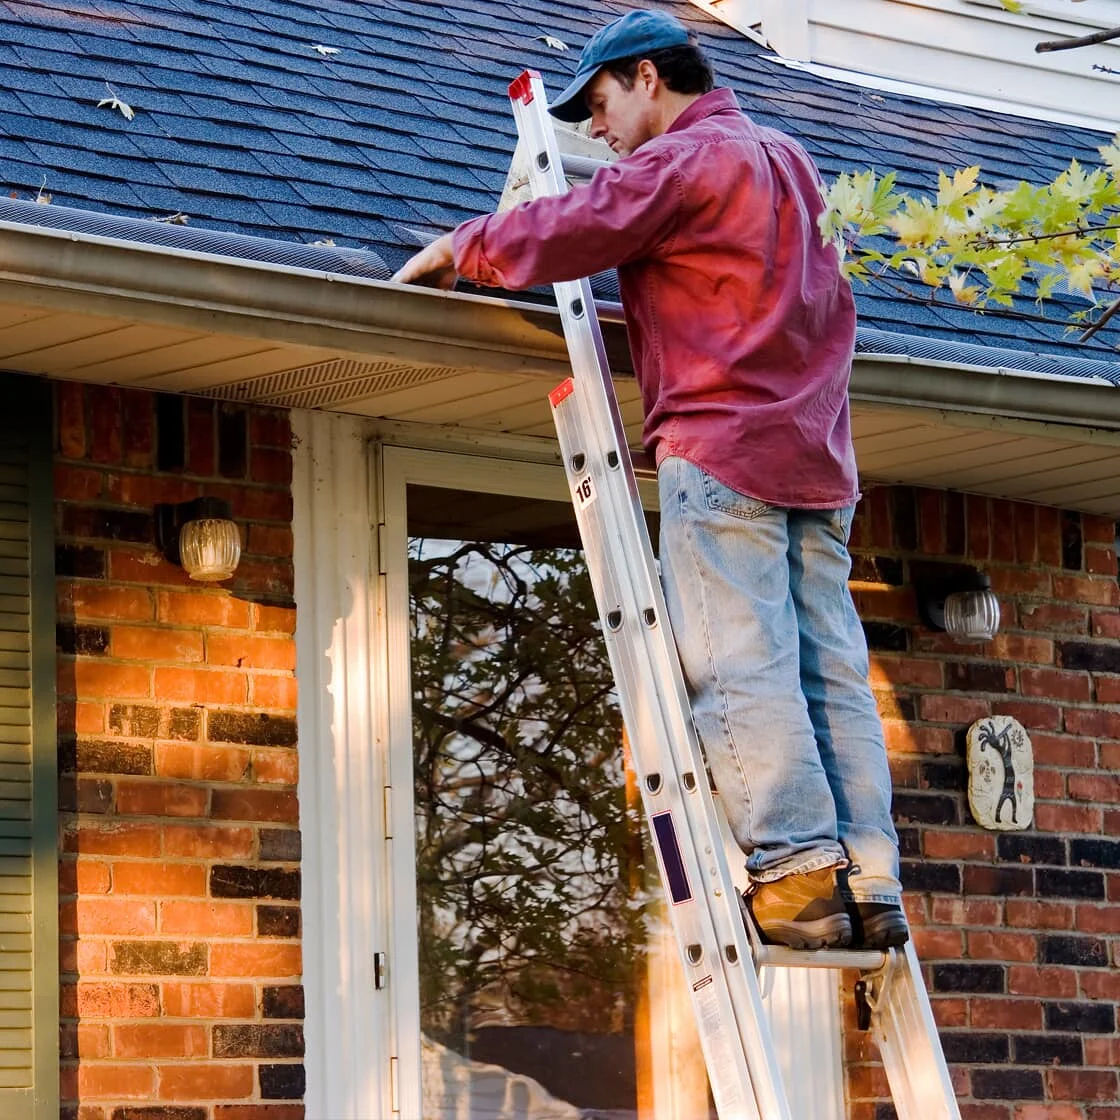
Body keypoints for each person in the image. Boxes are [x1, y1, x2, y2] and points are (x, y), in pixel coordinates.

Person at [393, 8, 907, 951]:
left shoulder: (686, 160)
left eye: (597, 103)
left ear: (645, 77)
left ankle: (795, 874)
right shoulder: (790, 161)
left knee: (739, 664)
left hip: (725, 454)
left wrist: (466, 245)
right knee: (829, 669)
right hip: (818, 461)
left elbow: (587, 221)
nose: (593, 131)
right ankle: (868, 877)